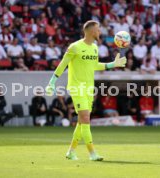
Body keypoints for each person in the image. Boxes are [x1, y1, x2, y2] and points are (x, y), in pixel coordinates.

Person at [45, 20, 126, 161]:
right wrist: (52, 82)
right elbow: (62, 65)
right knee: (85, 118)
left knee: (82, 122)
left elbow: (94, 66)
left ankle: (71, 152)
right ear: (90, 31)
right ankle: (92, 153)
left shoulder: (95, 47)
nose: (100, 32)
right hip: (77, 88)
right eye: (98, 29)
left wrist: (113, 64)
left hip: (89, 89)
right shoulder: (74, 47)